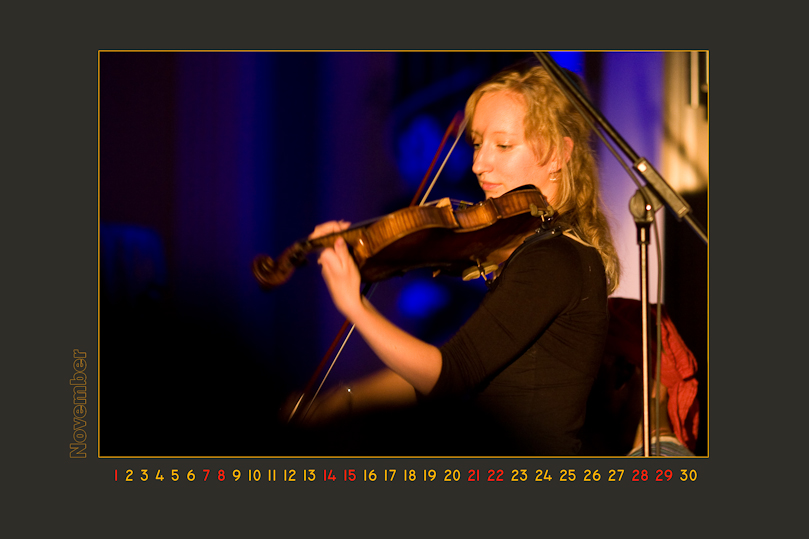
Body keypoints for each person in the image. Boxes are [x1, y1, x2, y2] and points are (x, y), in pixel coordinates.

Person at [296, 62, 621, 456]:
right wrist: (341, 401)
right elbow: (447, 371)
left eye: (503, 145)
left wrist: (355, 306)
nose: (478, 164)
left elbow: (447, 376)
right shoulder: (539, 251)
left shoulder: (554, 259)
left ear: (558, 154)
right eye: (477, 143)